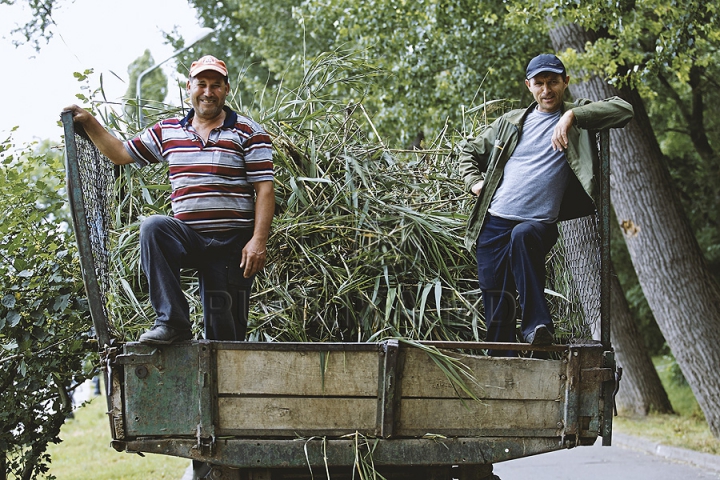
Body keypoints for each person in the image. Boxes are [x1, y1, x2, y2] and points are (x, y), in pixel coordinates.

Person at [65, 55, 275, 346]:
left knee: (225, 338)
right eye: (201, 84)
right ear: (189, 87)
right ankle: (172, 323)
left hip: (231, 246)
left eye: (216, 85)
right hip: (188, 237)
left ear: (227, 90)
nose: (208, 92)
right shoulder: (168, 131)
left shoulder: (249, 132)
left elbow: (265, 189)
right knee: (154, 227)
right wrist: (89, 121)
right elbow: (120, 154)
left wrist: (258, 241)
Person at [459, 54, 633, 356]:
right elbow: (467, 151)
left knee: (523, 236)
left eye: (553, 81)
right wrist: (475, 181)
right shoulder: (510, 123)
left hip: (538, 223)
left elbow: (624, 109)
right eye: (539, 83)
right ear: (529, 86)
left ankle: (537, 329)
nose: (546, 89)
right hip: (494, 223)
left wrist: (571, 117)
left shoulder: (578, 116)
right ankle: (504, 374)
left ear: (565, 82)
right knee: (498, 311)